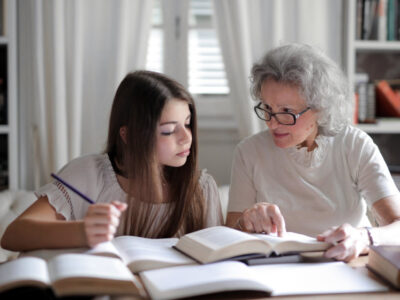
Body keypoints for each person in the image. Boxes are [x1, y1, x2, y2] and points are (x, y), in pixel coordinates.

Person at [2, 70, 222, 251]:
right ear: (128, 135)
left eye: (187, 123)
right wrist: (82, 231)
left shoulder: (202, 189)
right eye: (168, 131)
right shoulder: (89, 174)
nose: (186, 138)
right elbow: (14, 235)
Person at [226, 44, 400, 262]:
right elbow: (229, 235)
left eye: (287, 112)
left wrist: (364, 237)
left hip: (349, 265)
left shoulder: (354, 145)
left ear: (320, 108)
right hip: (277, 269)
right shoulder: (248, 152)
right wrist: (246, 221)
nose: (272, 123)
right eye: (267, 108)